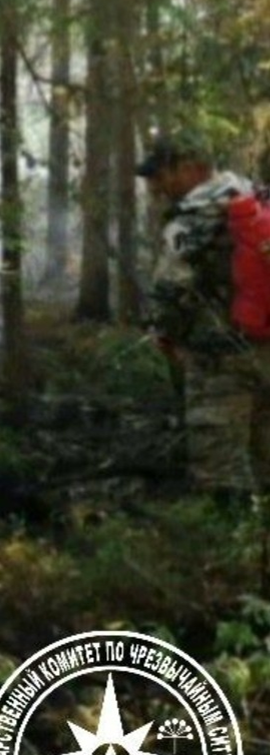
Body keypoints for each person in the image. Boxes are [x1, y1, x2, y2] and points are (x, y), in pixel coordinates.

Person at [138, 132, 270, 496]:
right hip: (265, 345)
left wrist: (165, 335)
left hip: (219, 359)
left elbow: (171, 288)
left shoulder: (193, 218)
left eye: (161, 175)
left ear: (188, 168)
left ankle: (229, 532)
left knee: (220, 471)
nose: (156, 186)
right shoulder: (253, 197)